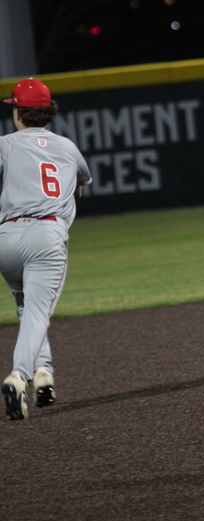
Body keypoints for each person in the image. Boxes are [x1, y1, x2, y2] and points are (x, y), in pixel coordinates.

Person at [0, 78, 92, 421]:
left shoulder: (4, 145)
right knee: (38, 313)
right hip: (46, 236)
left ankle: (44, 375)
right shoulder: (67, 147)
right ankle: (19, 376)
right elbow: (79, 189)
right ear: (47, 112)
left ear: (18, 113)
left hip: (6, 237)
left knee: (27, 308)